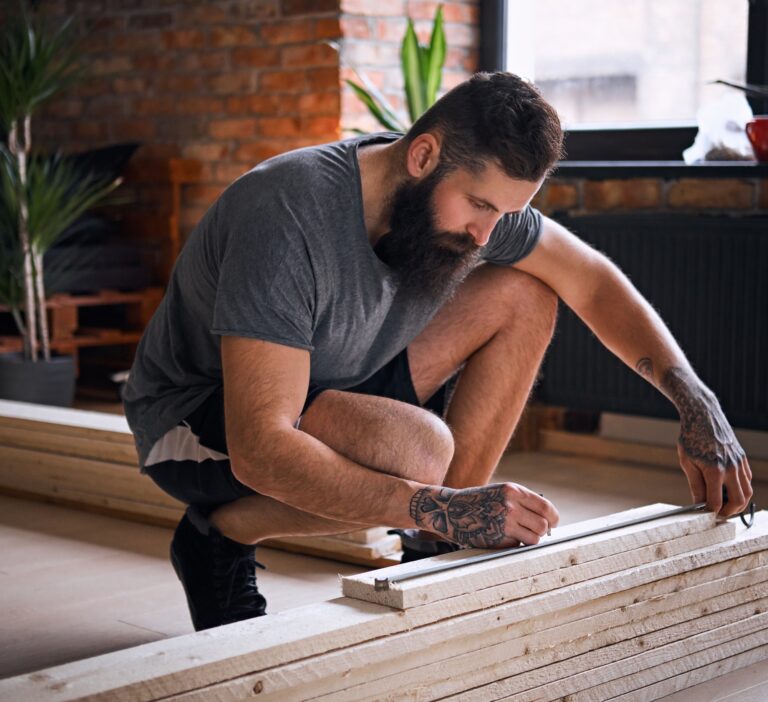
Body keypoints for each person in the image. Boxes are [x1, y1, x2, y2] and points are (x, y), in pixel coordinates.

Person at [123, 72, 753, 631]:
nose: (486, 233)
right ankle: (219, 537)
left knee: (525, 294)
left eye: (505, 213)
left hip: (335, 384)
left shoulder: (477, 211)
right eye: (480, 205)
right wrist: (436, 502)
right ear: (423, 155)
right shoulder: (287, 212)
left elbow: (590, 279)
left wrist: (695, 399)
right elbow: (262, 446)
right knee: (421, 451)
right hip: (199, 416)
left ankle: (433, 553)